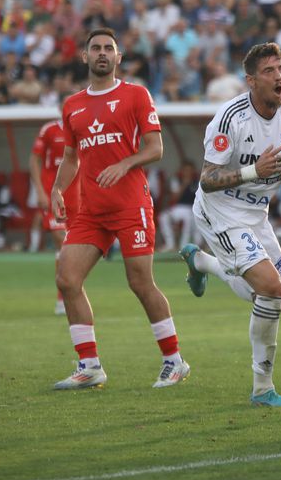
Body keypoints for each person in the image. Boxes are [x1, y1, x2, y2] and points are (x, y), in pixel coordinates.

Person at [49, 28, 188, 390]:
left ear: (118, 57)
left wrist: (125, 163)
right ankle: (89, 366)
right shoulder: (72, 105)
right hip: (93, 211)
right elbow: (69, 157)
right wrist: (57, 188)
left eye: (108, 48)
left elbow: (155, 148)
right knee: (67, 278)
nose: (101, 53)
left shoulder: (135, 95)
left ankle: (174, 361)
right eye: (95, 48)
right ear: (85, 56)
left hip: (131, 205)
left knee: (140, 282)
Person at [179, 41, 281, 407]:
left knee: (278, 300)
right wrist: (255, 170)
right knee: (268, 287)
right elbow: (206, 178)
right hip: (218, 211)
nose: (279, 76)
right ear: (251, 81)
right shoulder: (230, 117)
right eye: (269, 71)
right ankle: (262, 388)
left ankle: (202, 262)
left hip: (257, 214)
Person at [30, 118, 81, 315]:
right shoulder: (49, 129)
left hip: (77, 196)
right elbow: (34, 158)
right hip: (54, 194)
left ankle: (72, 291)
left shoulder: (85, 127)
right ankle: (63, 298)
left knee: (75, 247)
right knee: (62, 241)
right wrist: (41, 192)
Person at [157, 161, 198, 252]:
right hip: (178, 208)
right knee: (163, 217)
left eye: (189, 170)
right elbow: (174, 198)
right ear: (182, 171)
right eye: (185, 170)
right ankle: (170, 244)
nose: (187, 172)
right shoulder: (176, 180)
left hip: (192, 208)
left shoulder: (197, 182)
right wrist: (184, 184)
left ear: (193, 171)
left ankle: (184, 246)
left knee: (189, 218)